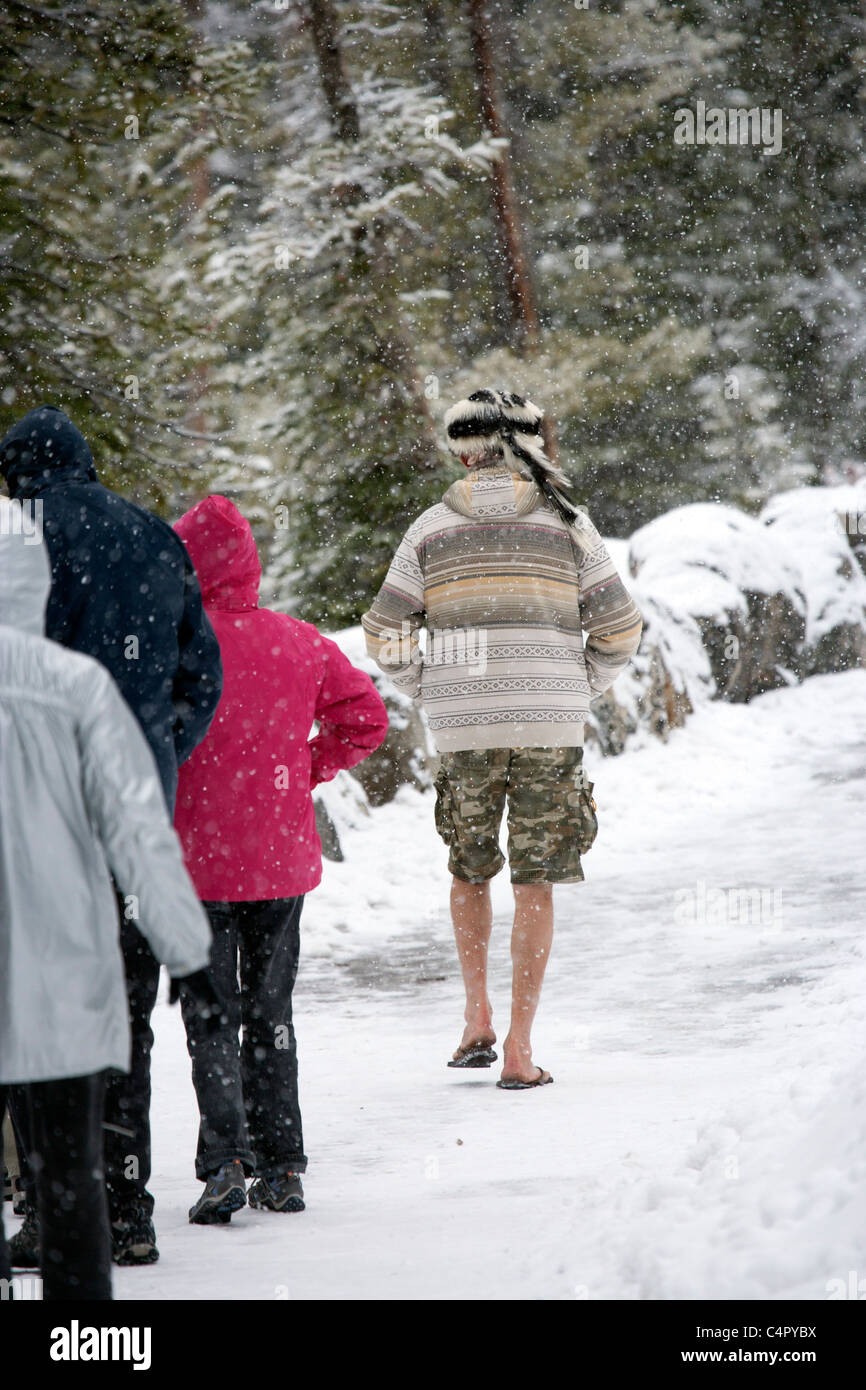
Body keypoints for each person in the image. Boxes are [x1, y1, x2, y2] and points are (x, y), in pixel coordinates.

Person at [362, 389, 642, 1089]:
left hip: (463, 727)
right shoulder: (570, 525)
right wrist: (576, 685)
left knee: (468, 868)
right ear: (529, 444)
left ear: (464, 449)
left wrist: (434, 687)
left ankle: (476, 1015)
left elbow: (384, 633)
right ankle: (519, 1048)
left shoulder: (428, 529)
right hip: (550, 721)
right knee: (536, 879)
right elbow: (620, 629)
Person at [0, 404, 223, 1266]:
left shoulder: (19, 544)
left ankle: (53, 1214)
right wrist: (154, 753)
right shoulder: (158, 540)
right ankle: (126, 1210)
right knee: (126, 1019)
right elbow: (199, 674)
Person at [172, 495, 389, 1224]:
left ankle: (224, 1162)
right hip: (277, 862)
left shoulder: (175, 641)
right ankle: (285, 1166)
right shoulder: (298, 641)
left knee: (210, 1014)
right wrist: (308, 766)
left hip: (195, 862)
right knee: (271, 1013)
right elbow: (367, 717)